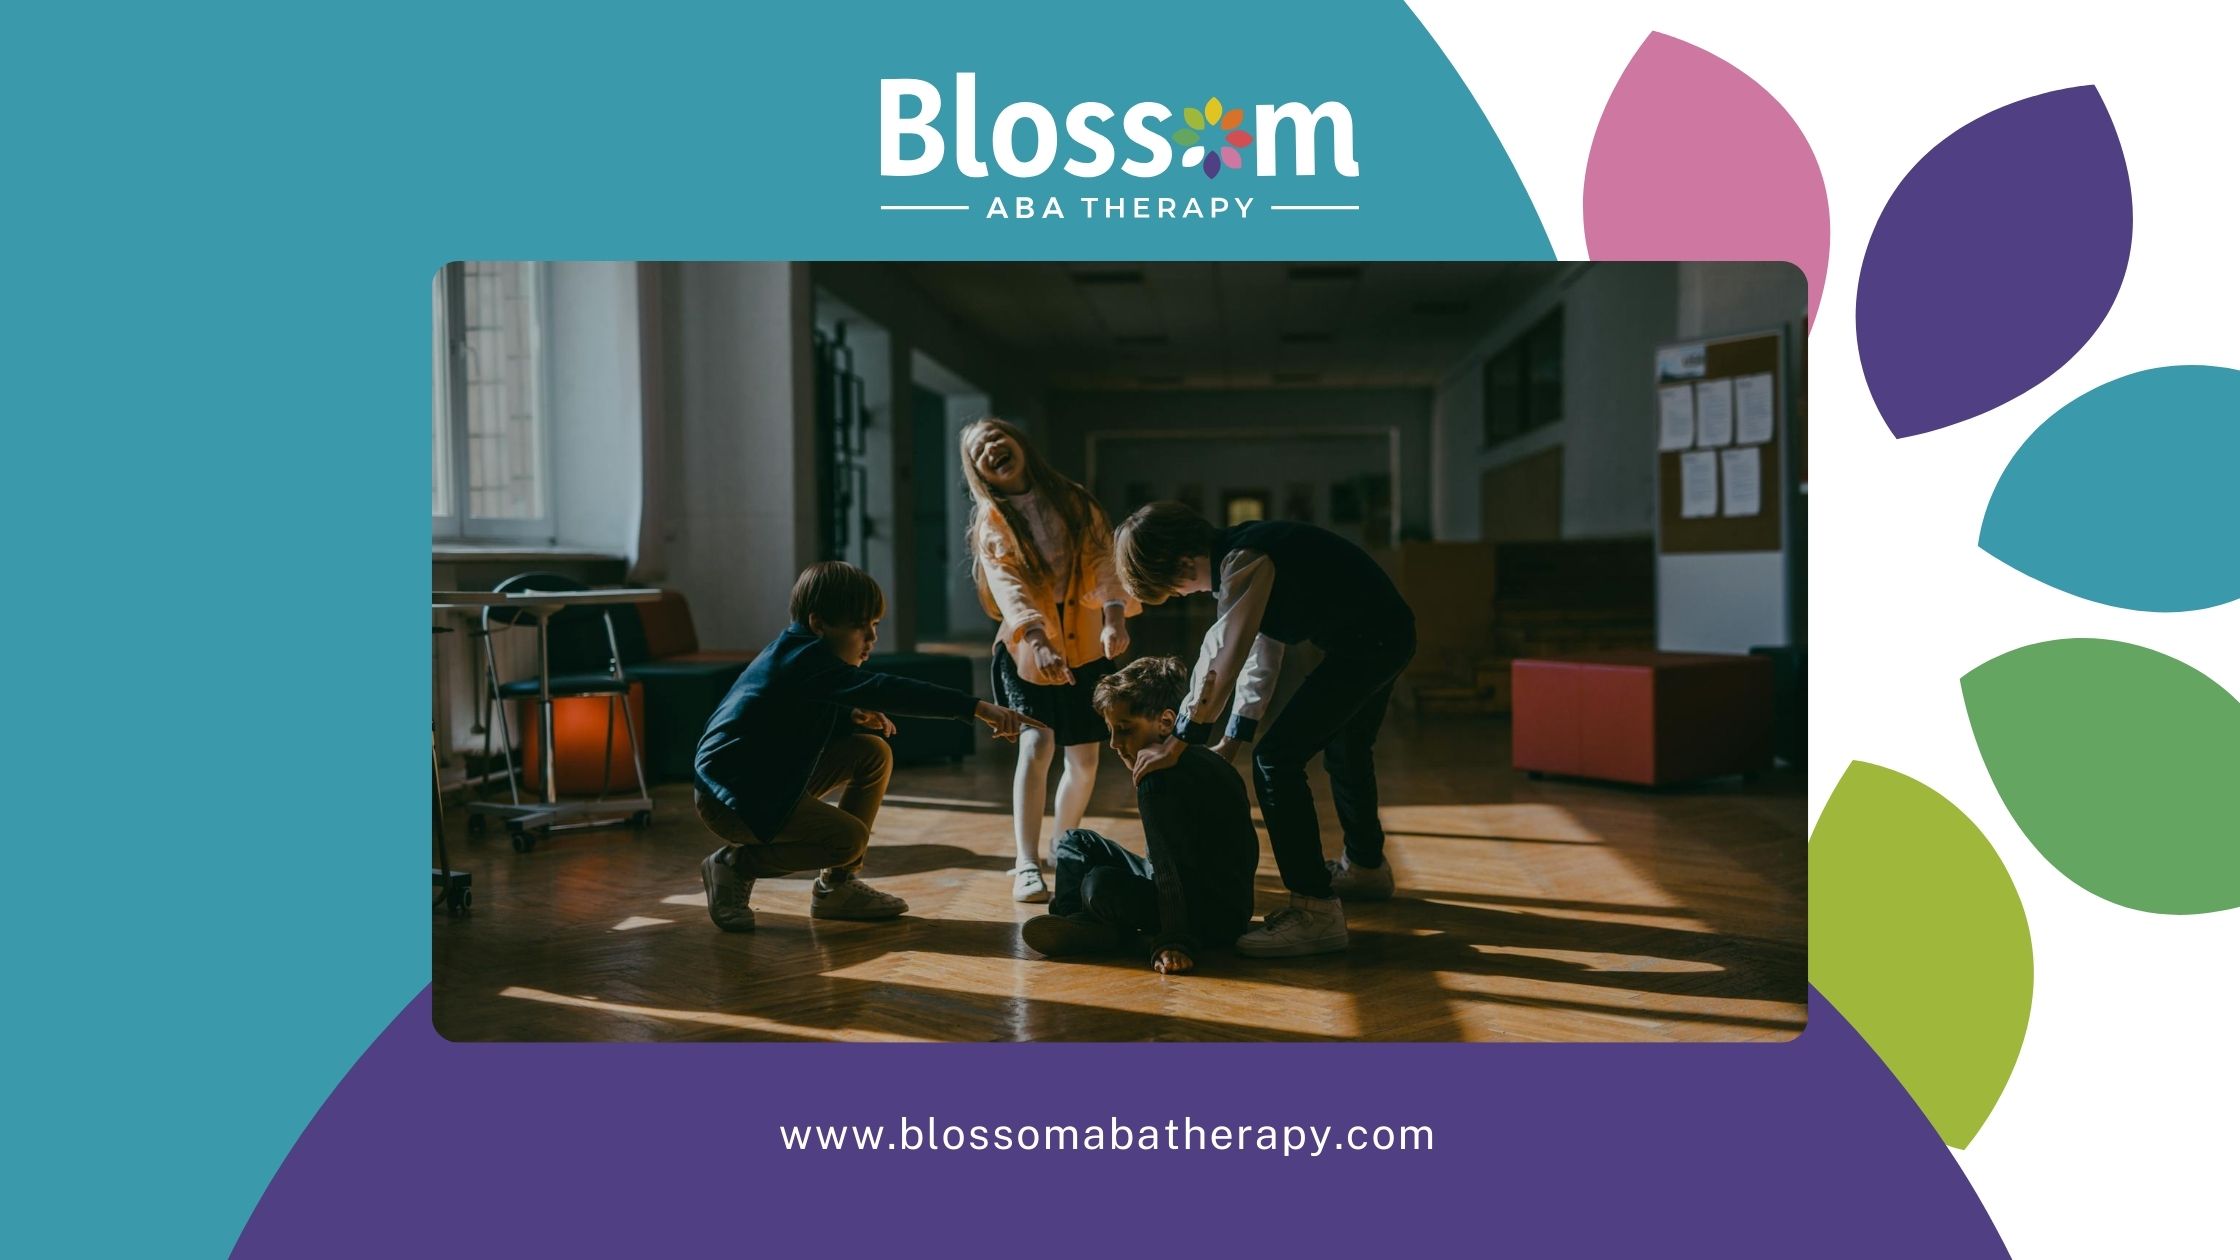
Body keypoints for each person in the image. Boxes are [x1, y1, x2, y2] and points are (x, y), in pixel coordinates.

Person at [1113, 503, 1416, 957]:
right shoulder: (1248, 554)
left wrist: (1181, 739)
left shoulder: (1244, 559)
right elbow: (1261, 655)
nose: (1183, 596)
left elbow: (1224, 653)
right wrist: (1232, 738)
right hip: (1384, 636)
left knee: (1277, 760)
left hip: (1370, 644)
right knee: (1347, 749)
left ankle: (1315, 910)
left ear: (1177, 564)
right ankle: (1366, 867)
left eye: (1174, 591)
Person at [692, 561, 1044, 932]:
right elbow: (886, 688)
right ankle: (732, 866)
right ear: (818, 624)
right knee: (848, 839)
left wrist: (848, 717)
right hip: (732, 800)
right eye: (861, 627)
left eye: (874, 625)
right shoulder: (802, 660)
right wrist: (975, 708)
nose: (872, 639)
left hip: (764, 780)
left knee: (871, 753)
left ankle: (837, 889)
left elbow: (783, 719)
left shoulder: (801, 652)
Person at [960, 417, 1138, 903]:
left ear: (1019, 443)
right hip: (1025, 648)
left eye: (997, 437)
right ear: (980, 474)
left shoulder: (1074, 500)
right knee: (1037, 745)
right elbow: (1008, 588)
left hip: (1085, 646)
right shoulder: (991, 521)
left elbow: (1105, 559)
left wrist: (1114, 616)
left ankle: (1066, 846)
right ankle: (1025, 861)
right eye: (979, 451)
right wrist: (1036, 639)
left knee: (1083, 759)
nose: (991, 447)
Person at [1019, 656, 1258, 974]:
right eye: (1111, 731)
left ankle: (1093, 927)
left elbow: (1167, 866)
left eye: (1125, 729)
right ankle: (1078, 922)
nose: (1115, 744)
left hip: (1207, 916)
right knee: (1074, 841)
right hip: (1204, 896)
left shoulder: (1156, 778)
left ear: (1166, 722)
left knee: (1098, 884)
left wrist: (1173, 941)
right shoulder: (1198, 758)